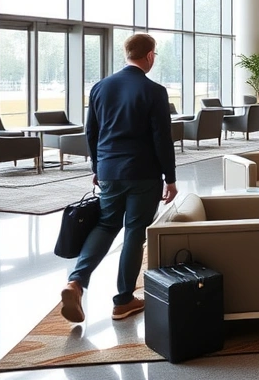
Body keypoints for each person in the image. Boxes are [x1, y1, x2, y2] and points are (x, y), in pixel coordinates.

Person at [60, 33, 178, 324]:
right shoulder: (154, 91)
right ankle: (123, 300)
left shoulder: (100, 87)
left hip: (110, 170)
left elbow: (92, 132)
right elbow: (162, 139)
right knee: (134, 231)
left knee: (106, 224)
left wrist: (97, 168)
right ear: (149, 56)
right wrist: (170, 178)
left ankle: (76, 281)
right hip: (143, 172)